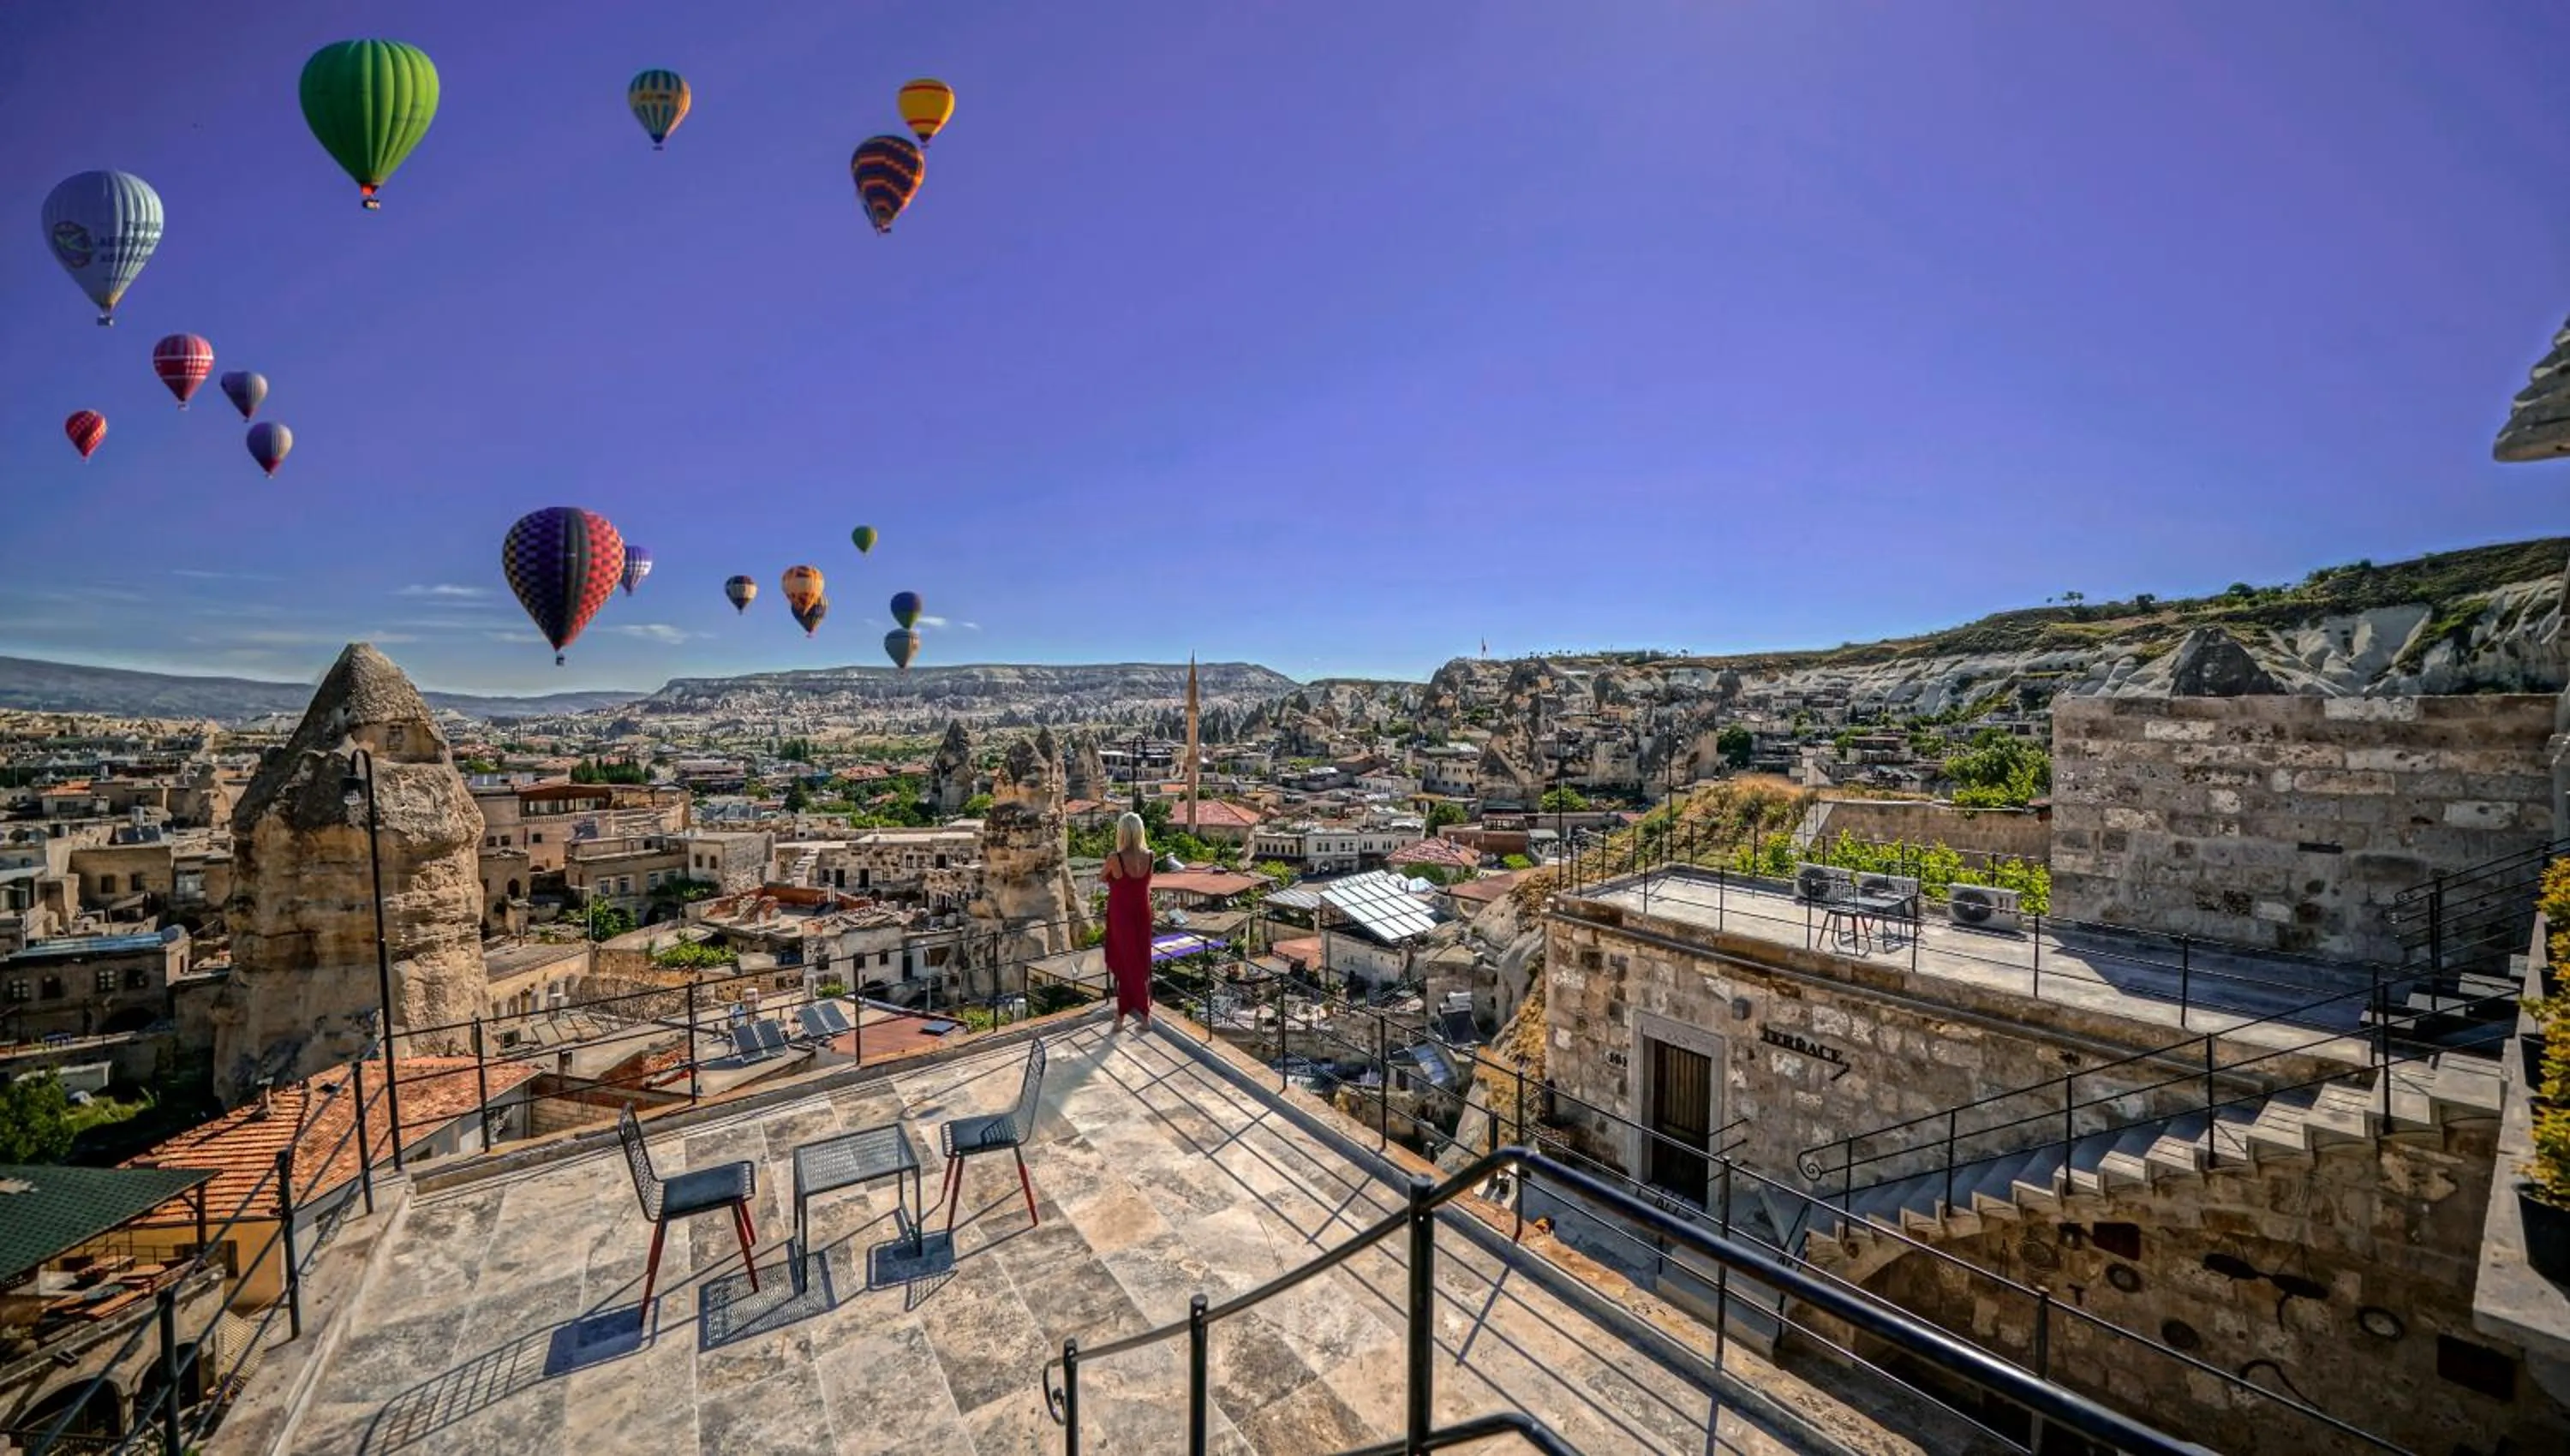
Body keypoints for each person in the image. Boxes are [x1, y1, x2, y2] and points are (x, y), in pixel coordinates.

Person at [1102, 811, 1154, 1032]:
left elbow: (1102, 877)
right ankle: (1129, 1015)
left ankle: (1133, 1015)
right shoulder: (1150, 856)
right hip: (1142, 913)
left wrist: (1114, 879)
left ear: (1122, 832)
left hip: (1121, 915)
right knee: (1138, 962)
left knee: (1125, 963)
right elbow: (1146, 884)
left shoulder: (1115, 858)